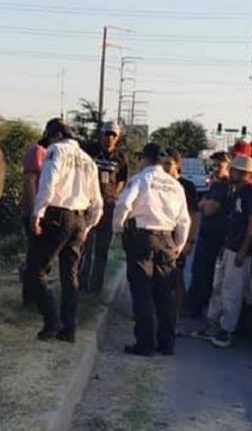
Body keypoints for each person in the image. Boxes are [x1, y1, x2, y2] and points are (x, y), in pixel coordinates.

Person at [26, 118, 103, 343]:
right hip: (80, 217)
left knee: (36, 271)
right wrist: (88, 226)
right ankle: (69, 329)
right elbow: (97, 200)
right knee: (70, 276)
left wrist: (37, 213)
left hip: (58, 216)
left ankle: (52, 322)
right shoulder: (88, 160)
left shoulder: (55, 150)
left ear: (56, 135)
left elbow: (48, 183)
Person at [114, 143, 191, 356]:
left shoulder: (141, 179)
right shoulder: (175, 185)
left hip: (143, 238)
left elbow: (123, 205)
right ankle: (166, 343)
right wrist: (179, 245)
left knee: (142, 292)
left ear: (145, 159)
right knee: (164, 294)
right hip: (167, 240)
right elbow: (184, 220)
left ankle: (145, 344)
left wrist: (118, 229)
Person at [191, 154, 252, 348]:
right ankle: (213, 323)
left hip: (240, 249)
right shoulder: (235, 192)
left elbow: (250, 224)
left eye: (237, 170)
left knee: (232, 291)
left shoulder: (248, 193)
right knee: (218, 286)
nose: (232, 173)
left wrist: (243, 249)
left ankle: (227, 330)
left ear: (245, 174)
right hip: (229, 245)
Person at [80, 121, 128, 293]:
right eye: (107, 134)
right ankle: (81, 284)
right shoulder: (90, 152)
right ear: (101, 135)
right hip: (89, 205)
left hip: (108, 206)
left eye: (113, 135)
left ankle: (96, 287)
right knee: (85, 246)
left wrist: (115, 193)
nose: (110, 138)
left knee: (102, 249)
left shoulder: (120, 157)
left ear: (118, 138)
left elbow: (123, 178)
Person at [184, 151, 234, 317]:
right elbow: (202, 204)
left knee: (207, 275)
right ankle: (193, 306)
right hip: (206, 234)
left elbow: (210, 208)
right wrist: (205, 204)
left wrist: (205, 204)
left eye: (219, 165)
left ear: (228, 166)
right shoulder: (215, 184)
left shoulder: (225, 186)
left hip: (216, 237)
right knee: (199, 272)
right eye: (213, 165)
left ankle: (199, 307)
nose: (215, 168)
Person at [163, 149, 198, 320]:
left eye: (169, 163)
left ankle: (176, 313)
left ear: (178, 165)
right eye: (163, 163)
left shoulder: (187, 187)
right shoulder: (159, 183)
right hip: (160, 237)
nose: (165, 167)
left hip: (179, 240)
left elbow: (194, 215)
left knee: (177, 277)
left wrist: (189, 241)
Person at [20, 135, 49, 305]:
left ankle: (36, 293)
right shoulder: (37, 151)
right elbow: (30, 182)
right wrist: (33, 211)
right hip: (34, 212)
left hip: (43, 212)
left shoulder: (51, 154)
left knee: (40, 256)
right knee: (34, 257)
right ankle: (30, 296)